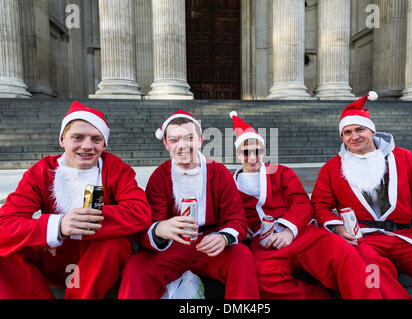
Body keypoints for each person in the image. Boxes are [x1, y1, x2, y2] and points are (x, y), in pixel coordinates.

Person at [0, 100, 152, 298]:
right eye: (78, 137)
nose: (87, 146)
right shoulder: (41, 171)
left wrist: (81, 225)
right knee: (6, 249)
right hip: (53, 257)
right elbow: (5, 224)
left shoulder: (116, 169)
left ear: (104, 144)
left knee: (116, 243)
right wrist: (56, 227)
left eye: (96, 139)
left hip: (97, 258)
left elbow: (140, 212)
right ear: (62, 140)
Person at [229, 111, 382, 299]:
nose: (252, 157)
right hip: (264, 242)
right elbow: (228, 213)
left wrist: (288, 230)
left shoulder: (281, 172)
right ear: (237, 154)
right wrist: (240, 227)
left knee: (345, 254)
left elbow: (302, 202)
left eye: (257, 151)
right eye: (246, 152)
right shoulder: (230, 183)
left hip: (301, 231)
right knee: (263, 277)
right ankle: (319, 295)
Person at [311, 91, 412, 299]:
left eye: (359, 129)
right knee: (370, 271)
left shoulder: (405, 158)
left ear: (373, 131)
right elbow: (319, 205)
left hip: (406, 235)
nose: (354, 136)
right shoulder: (331, 168)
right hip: (364, 238)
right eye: (347, 132)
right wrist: (337, 226)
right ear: (342, 137)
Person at [118, 110, 260, 299]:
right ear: (166, 144)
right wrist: (160, 229)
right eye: (174, 140)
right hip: (172, 246)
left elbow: (235, 219)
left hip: (210, 243)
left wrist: (224, 238)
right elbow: (150, 223)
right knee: (136, 267)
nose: (182, 146)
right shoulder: (159, 176)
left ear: (201, 140)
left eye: (189, 138)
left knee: (241, 257)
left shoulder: (218, 172)